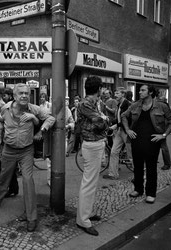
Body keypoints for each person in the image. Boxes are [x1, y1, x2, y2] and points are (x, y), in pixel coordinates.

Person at [0, 83, 55, 233]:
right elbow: (0, 120)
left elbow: (51, 119)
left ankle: (32, 217)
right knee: (4, 177)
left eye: (26, 93)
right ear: (15, 96)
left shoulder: (34, 109)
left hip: (26, 151)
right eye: (21, 93)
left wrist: (39, 127)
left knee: (28, 180)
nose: (24, 96)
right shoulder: (5, 108)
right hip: (9, 150)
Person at [122, 85, 171, 204]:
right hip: (136, 141)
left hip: (153, 142)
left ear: (151, 92)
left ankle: (151, 193)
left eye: (143, 90)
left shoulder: (161, 106)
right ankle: (138, 189)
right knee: (137, 167)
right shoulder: (135, 105)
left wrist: (163, 135)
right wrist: (127, 130)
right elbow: (124, 116)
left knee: (151, 168)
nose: (140, 92)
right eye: (140, 90)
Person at [76, 76, 108, 236]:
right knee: (88, 183)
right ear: (99, 88)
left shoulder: (94, 103)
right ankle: (83, 220)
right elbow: (101, 122)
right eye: (102, 88)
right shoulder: (86, 103)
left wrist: (103, 120)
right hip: (91, 145)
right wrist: (103, 120)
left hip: (97, 143)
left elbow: (101, 121)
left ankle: (87, 213)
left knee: (92, 182)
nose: (103, 91)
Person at [103, 88, 132, 180]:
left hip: (126, 131)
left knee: (131, 154)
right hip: (120, 130)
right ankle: (113, 174)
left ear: (123, 94)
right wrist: (110, 121)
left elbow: (127, 119)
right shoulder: (120, 104)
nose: (115, 95)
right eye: (115, 93)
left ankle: (139, 176)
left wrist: (116, 125)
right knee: (114, 152)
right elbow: (119, 118)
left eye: (117, 93)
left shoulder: (127, 104)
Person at [156, 94, 171, 170]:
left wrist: (165, 132)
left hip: (162, 129)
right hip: (159, 128)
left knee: (163, 147)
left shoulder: (164, 107)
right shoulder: (161, 106)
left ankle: (167, 164)